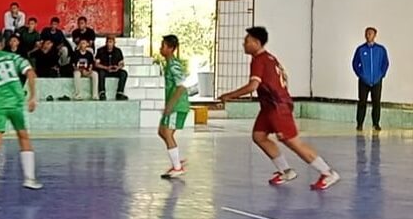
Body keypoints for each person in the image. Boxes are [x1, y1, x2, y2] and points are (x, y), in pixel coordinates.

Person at [219, 27, 340, 190]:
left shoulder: (259, 60)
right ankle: (285, 170)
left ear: (256, 42)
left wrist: (229, 95)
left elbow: (252, 86)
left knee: (292, 142)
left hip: (277, 107)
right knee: (259, 136)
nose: (243, 44)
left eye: (246, 41)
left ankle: (327, 172)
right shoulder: (270, 58)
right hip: (269, 106)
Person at [0, 30, 42, 197]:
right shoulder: (13, 57)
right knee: (23, 137)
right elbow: (30, 73)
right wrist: (33, 96)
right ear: (2, 43)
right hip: (16, 102)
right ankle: (29, 178)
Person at [158, 35, 189, 179]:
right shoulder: (169, 64)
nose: (160, 48)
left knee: (167, 133)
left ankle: (177, 167)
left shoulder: (174, 65)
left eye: (163, 45)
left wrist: (170, 105)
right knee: (162, 131)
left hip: (177, 106)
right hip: (172, 105)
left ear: (171, 48)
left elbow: (181, 86)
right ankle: (175, 157)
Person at [352, 27, 388, 132]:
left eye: (370, 34)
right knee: (362, 102)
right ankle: (359, 124)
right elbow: (355, 63)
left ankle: (376, 123)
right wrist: (361, 74)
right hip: (364, 81)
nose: (368, 36)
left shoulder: (381, 50)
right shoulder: (361, 49)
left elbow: (385, 63)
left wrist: (381, 74)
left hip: (377, 81)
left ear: (375, 35)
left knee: (376, 103)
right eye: (367, 34)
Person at [95, 35, 129, 101]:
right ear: (106, 42)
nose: (109, 44)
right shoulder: (100, 50)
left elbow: (122, 63)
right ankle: (102, 93)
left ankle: (120, 93)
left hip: (115, 70)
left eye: (111, 42)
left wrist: (118, 67)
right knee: (100, 73)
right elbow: (96, 64)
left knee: (124, 73)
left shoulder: (118, 51)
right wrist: (106, 67)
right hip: (105, 70)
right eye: (108, 42)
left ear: (114, 43)